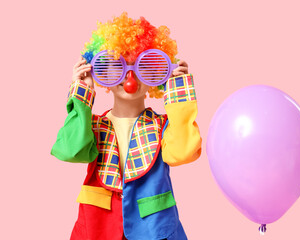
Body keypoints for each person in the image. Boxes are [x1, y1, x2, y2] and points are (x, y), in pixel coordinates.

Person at [51, 12, 202, 240]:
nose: (130, 76)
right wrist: (81, 93)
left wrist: (179, 94)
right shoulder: (91, 125)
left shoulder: (163, 126)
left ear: (157, 73)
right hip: (98, 227)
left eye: (144, 65)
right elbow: (70, 150)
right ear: (100, 71)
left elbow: (183, 152)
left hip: (154, 230)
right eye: (116, 65)